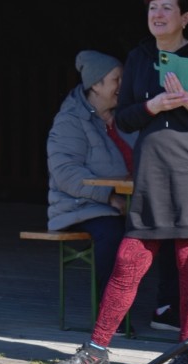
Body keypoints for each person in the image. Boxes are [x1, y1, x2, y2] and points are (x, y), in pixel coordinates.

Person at [52, 0, 188, 364]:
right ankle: (97, 349)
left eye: (167, 8)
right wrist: (154, 105)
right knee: (129, 258)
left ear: (185, 17)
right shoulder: (138, 58)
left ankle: (187, 355)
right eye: (153, 8)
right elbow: (124, 118)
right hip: (153, 170)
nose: (158, 14)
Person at [46, 51, 134, 299]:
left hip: (126, 201)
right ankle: (110, 307)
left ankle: (167, 307)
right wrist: (110, 197)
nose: (123, 85)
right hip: (83, 204)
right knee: (113, 233)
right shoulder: (70, 120)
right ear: (96, 85)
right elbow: (66, 173)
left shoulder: (124, 117)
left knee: (174, 227)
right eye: (116, 80)